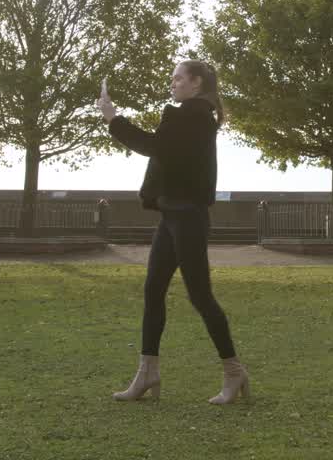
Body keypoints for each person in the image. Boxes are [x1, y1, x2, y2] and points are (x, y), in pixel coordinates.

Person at [98, 60, 250, 405]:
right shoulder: (188, 115)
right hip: (171, 214)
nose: (173, 83)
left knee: (200, 296)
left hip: (189, 217)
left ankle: (233, 371)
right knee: (153, 291)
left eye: (178, 78)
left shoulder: (195, 116)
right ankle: (147, 371)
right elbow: (164, 151)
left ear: (196, 83)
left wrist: (113, 117)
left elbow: (153, 146)